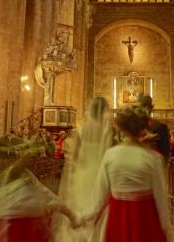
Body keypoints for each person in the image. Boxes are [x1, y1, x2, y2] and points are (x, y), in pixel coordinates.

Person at [82, 106, 173, 242]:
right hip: (145, 218)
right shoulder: (153, 157)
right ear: (143, 128)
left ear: (121, 128)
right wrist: (167, 228)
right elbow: (161, 197)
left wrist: (86, 216)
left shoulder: (110, 155)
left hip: (117, 216)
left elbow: (100, 195)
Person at [0, 149, 79, 242]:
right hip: (29, 228)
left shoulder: (3, 182)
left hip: (10, 228)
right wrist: (72, 217)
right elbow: (52, 200)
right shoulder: (30, 184)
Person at [54, 96, 115, 242]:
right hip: (101, 171)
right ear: (104, 110)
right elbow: (111, 152)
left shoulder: (82, 128)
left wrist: (74, 172)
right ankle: (97, 236)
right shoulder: (108, 128)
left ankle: (81, 235)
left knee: (82, 203)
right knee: (99, 205)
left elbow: (75, 155)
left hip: (84, 171)